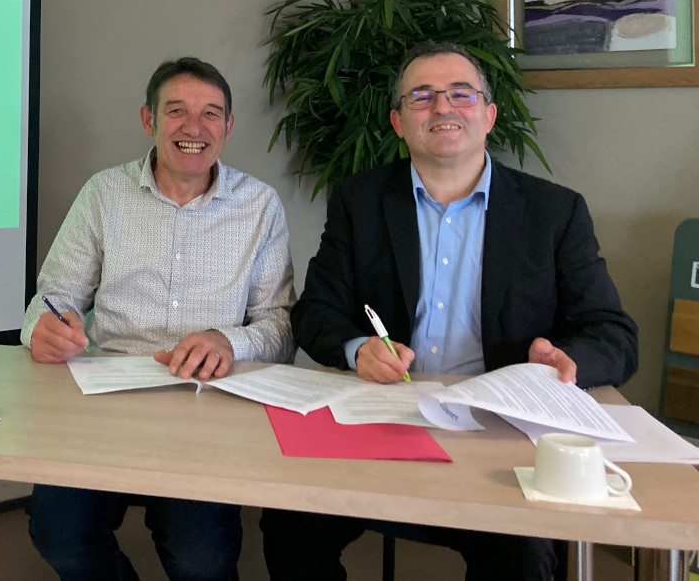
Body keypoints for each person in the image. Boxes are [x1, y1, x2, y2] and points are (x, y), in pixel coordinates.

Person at [260, 40, 638, 581]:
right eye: (422, 96)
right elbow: (316, 310)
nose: (442, 107)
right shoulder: (360, 201)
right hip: (383, 419)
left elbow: (614, 333)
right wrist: (357, 348)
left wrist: (566, 361)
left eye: (461, 93)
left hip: (499, 430)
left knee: (526, 557)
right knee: (288, 522)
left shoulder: (554, 211)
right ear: (398, 122)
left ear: (489, 115)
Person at [21, 56, 296, 581]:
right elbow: (54, 296)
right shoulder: (103, 194)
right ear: (148, 119)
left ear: (228, 125)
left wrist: (228, 342)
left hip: (206, 406)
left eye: (210, 113)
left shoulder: (260, 206)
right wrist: (43, 327)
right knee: (58, 531)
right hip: (105, 401)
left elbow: (280, 327)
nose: (195, 128)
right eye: (176, 111)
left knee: (202, 560)